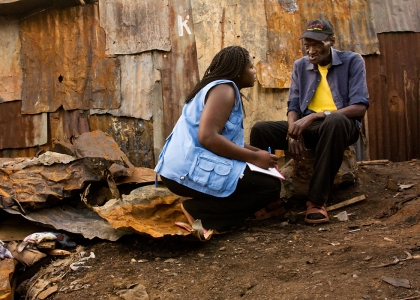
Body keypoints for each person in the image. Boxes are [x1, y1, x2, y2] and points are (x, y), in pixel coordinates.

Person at [250, 19, 369, 224]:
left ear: (331, 41)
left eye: (317, 45)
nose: (311, 51)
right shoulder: (300, 66)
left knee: (335, 121)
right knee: (261, 130)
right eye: (307, 46)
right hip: (310, 126)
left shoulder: (353, 61)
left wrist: (315, 116)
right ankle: (269, 198)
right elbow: (294, 106)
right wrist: (292, 131)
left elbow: (360, 107)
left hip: (342, 126)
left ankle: (316, 201)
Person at [154, 46, 281, 235]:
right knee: (269, 187)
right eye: (251, 67)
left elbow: (219, 137)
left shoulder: (218, 87)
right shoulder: (224, 89)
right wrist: (254, 159)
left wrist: (255, 152)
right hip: (184, 172)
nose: (254, 72)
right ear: (238, 71)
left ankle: (209, 211)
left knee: (263, 178)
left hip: (178, 170)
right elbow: (208, 137)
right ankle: (200, 214)